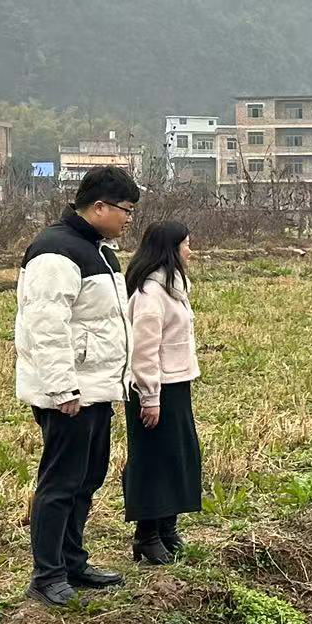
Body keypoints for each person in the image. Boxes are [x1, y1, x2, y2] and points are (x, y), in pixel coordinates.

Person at [14, 165, 140, 606]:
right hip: (70, 393)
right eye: (125, 210)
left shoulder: (100, 250)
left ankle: (72, 562)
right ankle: (47, 576)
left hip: (99, 387)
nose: (129, 219)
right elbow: (45, 326)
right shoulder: (55, 252)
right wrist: (63, 389)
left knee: (88, 477)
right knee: (60, 481)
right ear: (99, 206)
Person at [122, 220, 202, 564]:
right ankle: (147, 536)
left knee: (176, 457)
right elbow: (144, 349)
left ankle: (167, 527)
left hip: (176, 384)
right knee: (152, 462)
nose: (190, 250)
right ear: (170, 249)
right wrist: (150, 397)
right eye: (186, 244)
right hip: (155, 390)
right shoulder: (150, 294)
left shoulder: (174, 288)